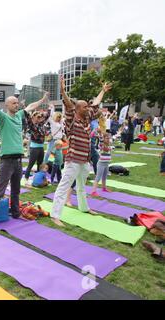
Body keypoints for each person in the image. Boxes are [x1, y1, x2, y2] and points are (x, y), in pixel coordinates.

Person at [0, 79, 48, 233]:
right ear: (7, 105)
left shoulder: (20, 115)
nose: (17, 104)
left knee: (16, 190)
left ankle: (15, 213)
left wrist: (43, 99)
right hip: (6, 161)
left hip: (18, 161)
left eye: (17, 102)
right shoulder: (2, 118)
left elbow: (31, 106)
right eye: (13, 103)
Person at [50, 76, 111, 227]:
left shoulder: (87, 117)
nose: (88, 109)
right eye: (84, 107)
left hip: (85, 160)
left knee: (82, 186)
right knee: (64, 187)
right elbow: (68, 104)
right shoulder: (71, 119)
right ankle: (55, 215)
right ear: (77, 109)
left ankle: (84, 208)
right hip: (73, 160)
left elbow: (96, 104)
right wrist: (63, 91)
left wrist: (102, 91)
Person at [24, 104, 52, 185]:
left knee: (40, 165)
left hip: (41, 148)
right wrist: (26, 110)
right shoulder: (33, 126)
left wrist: (50, 108)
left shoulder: (41, 124)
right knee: (31, 164)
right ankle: (26, 178)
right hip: (34, 148)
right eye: (38, 117)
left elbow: (46, 117)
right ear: (34, 118)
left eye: (40, 117)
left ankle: (39, 178)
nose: (40, 118)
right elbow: (28, 119)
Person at [91, 131, 113, 196]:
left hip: (106, 164)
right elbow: (101, 140)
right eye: (106, 138)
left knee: (104, 177)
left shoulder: (109, 145)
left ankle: (104, 188)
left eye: (109, 138)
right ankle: (93, 191)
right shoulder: (102, 144)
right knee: (98, 177)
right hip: (101, 164)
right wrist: (100, 134)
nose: (108, 139)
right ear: (104, 138)